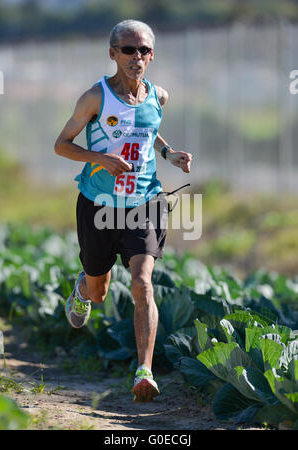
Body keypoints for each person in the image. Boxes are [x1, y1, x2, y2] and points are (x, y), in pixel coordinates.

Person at [54, 19, 192, 402]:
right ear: (112, 53)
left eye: (144, 50)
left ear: (152, 55)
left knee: (142, 282)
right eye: (128, 50)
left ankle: (144, 372)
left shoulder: (157, 95)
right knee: (99, 292)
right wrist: (100, 158)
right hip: (98, 204)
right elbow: (61, 145)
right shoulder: (94, 98)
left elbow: (149, 130)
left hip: (144, 201)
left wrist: (169, 154)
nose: (137, 57)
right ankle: (83, 287)